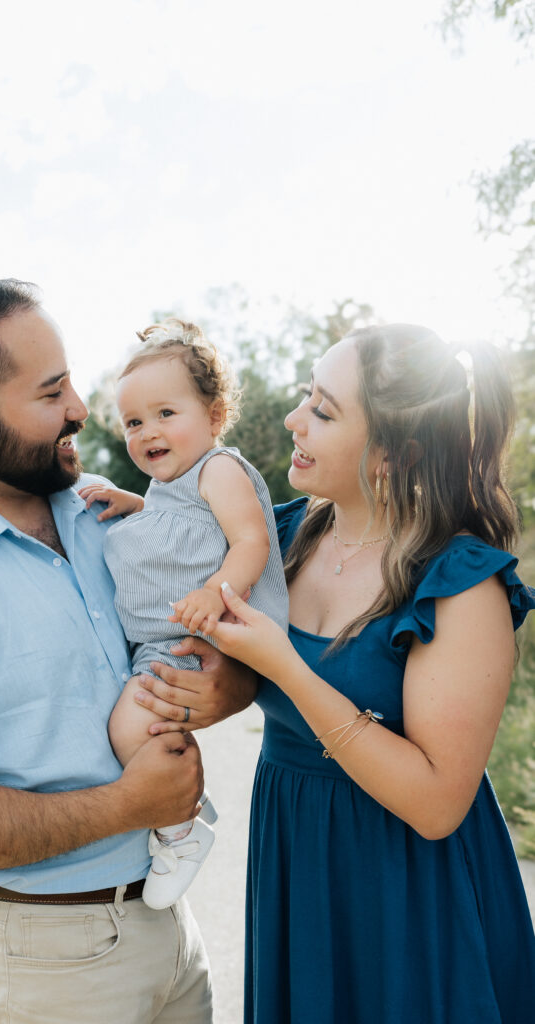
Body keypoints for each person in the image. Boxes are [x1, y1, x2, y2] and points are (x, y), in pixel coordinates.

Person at [0, 280, 255, 1024]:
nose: (80, 408)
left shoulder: (105, 508)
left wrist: (222, 684)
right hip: (38, 958)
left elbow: (221, 639)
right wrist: (129, 806)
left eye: (69, 379)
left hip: (166, 927)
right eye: (50, 392)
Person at [192, 323, 534, 1023]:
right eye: (304, 399)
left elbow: (438, 805)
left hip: (410, 889)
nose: (293, 421)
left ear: (392, 453)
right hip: (296, 864)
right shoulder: (280, 537)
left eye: (322, 410)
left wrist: (285, 667)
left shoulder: (459, 584)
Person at [78, 319, 288, 910]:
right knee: (136, 725)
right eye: (134, 422)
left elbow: (248, 541)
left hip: (192, 632)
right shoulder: (174, 485)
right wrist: (135, 504)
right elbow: (186, 526)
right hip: (166, 637)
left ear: (215, 416)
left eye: (166, 413)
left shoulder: (221, 468)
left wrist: (218, 590)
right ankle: (181, 815)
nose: (148, 432)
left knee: (130, 728)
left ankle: (180, 829)